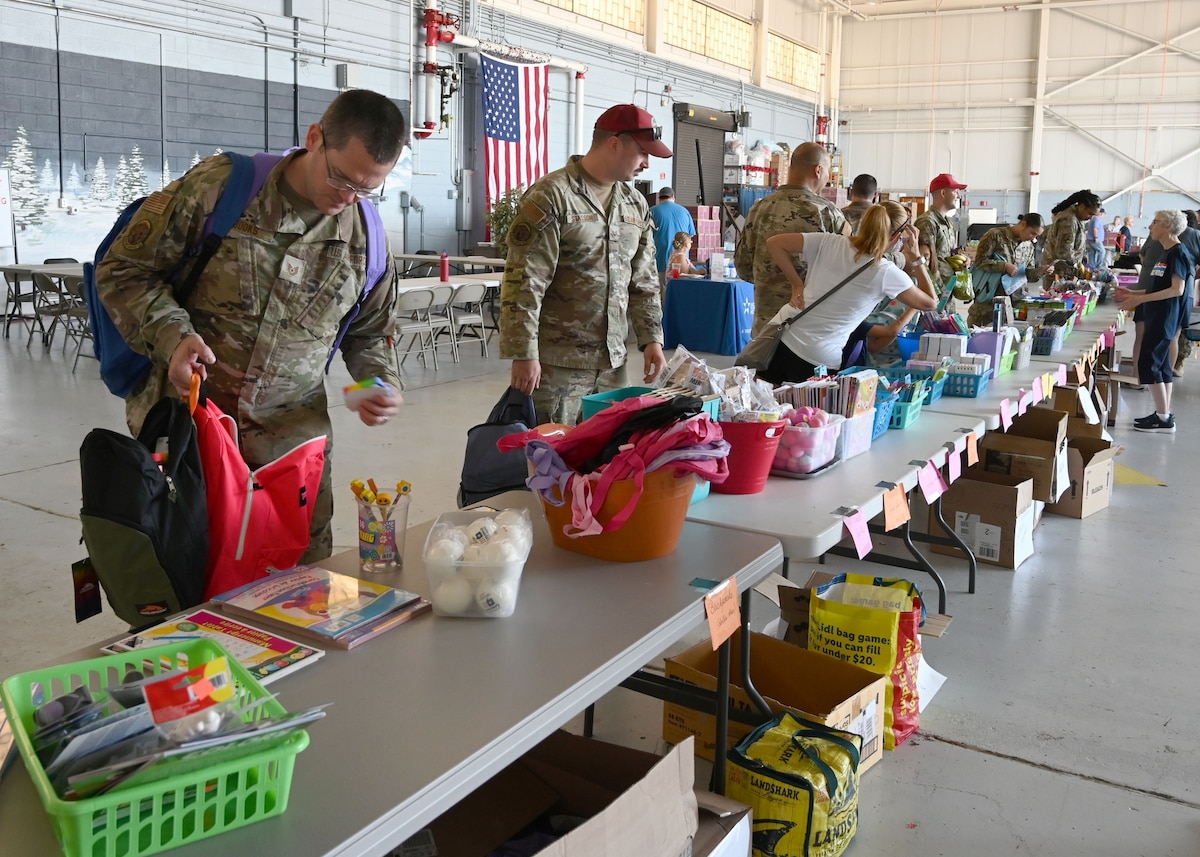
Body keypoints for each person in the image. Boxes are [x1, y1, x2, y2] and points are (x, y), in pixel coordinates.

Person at [96, 88, 407, 563]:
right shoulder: (223, 189)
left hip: (291, 453)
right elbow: (124, 271)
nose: (348, 198)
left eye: (367, 188)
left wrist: (376, 381)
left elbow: (370, 330)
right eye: (342, 178)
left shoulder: (368, 239)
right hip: (189, 438)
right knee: (183, 582)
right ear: (315, 137)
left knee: (300, 593)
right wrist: (173, 338)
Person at [499, 103, 669, 425]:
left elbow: (644, 281)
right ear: (614, 143)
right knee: (550, 462)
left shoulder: (634, 204)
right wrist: (524, 353)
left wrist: (652, 340)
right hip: (557, 365)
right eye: (642, 153)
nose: (647, 163)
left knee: (604, 460)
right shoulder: (552, 196)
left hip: (612, 364)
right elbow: (525, 281)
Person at [756, 200, 938, 383]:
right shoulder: (885, 272)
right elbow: (931, 302)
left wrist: (797, 284)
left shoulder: (828, 241)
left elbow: (775, 243)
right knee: (804, 412)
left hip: (779, 338)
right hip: (816, 357)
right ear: (897, 236)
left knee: (763, 408)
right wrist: (916, 258)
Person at [734, 142, 848, 337]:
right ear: (818, 170)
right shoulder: (828, 213)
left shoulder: (759, 209)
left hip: (766, 326)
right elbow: (845, 270)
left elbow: (743, 267)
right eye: (828, 171)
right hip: (810, 328)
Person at [1115, 210, 1192, 433]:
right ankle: (1163, 412)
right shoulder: (1164, 252)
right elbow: (1158, 285)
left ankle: (1163, 418)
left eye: (1155, 222)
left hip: (1165, 316)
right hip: (1157, 313)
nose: (1150, 227)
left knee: (1152, 363)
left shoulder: (1177, 253)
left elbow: (1177, 289)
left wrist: (1139, 299)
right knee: (1162, 366)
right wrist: (1132, 292)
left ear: (1168, 226)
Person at [966, 214, 1052, 327]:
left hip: (1013, 304)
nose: (1033, 238)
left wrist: (1041, 271)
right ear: (1023, 224)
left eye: (1036, 236)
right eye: (1032, 233)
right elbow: (980, 262)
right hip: (988, 300)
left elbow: (1026, 274)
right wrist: (1004, 266)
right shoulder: (995, 235)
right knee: (979, 335)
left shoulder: (1028, 246)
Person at [914, 173, 967, 296]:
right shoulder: (927, 222)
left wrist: (963, 260)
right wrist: (939, 292)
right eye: (955, 191)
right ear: (943, 193)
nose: (959, 196)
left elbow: (947, 255)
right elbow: (923, 263)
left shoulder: (947, 223)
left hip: (947, 291)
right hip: (935, 294)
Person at [1042, 190, 1102, 275]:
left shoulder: (1079, 218)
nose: (1091, 218)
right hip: (1058, 271)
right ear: (1082, 206)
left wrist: (1081, 257)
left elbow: (1074, 243)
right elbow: (1064, 251)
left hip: (1067, 268)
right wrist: (1078, 267)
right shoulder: (1068, 220)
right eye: (1090, 214)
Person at [650, 186, 696, 290]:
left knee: (662, 295)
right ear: (673, 197)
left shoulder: (652, 211)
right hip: (682, 262)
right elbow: (690, 235)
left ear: (659, 198)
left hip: (660, 260)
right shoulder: (684, 211)